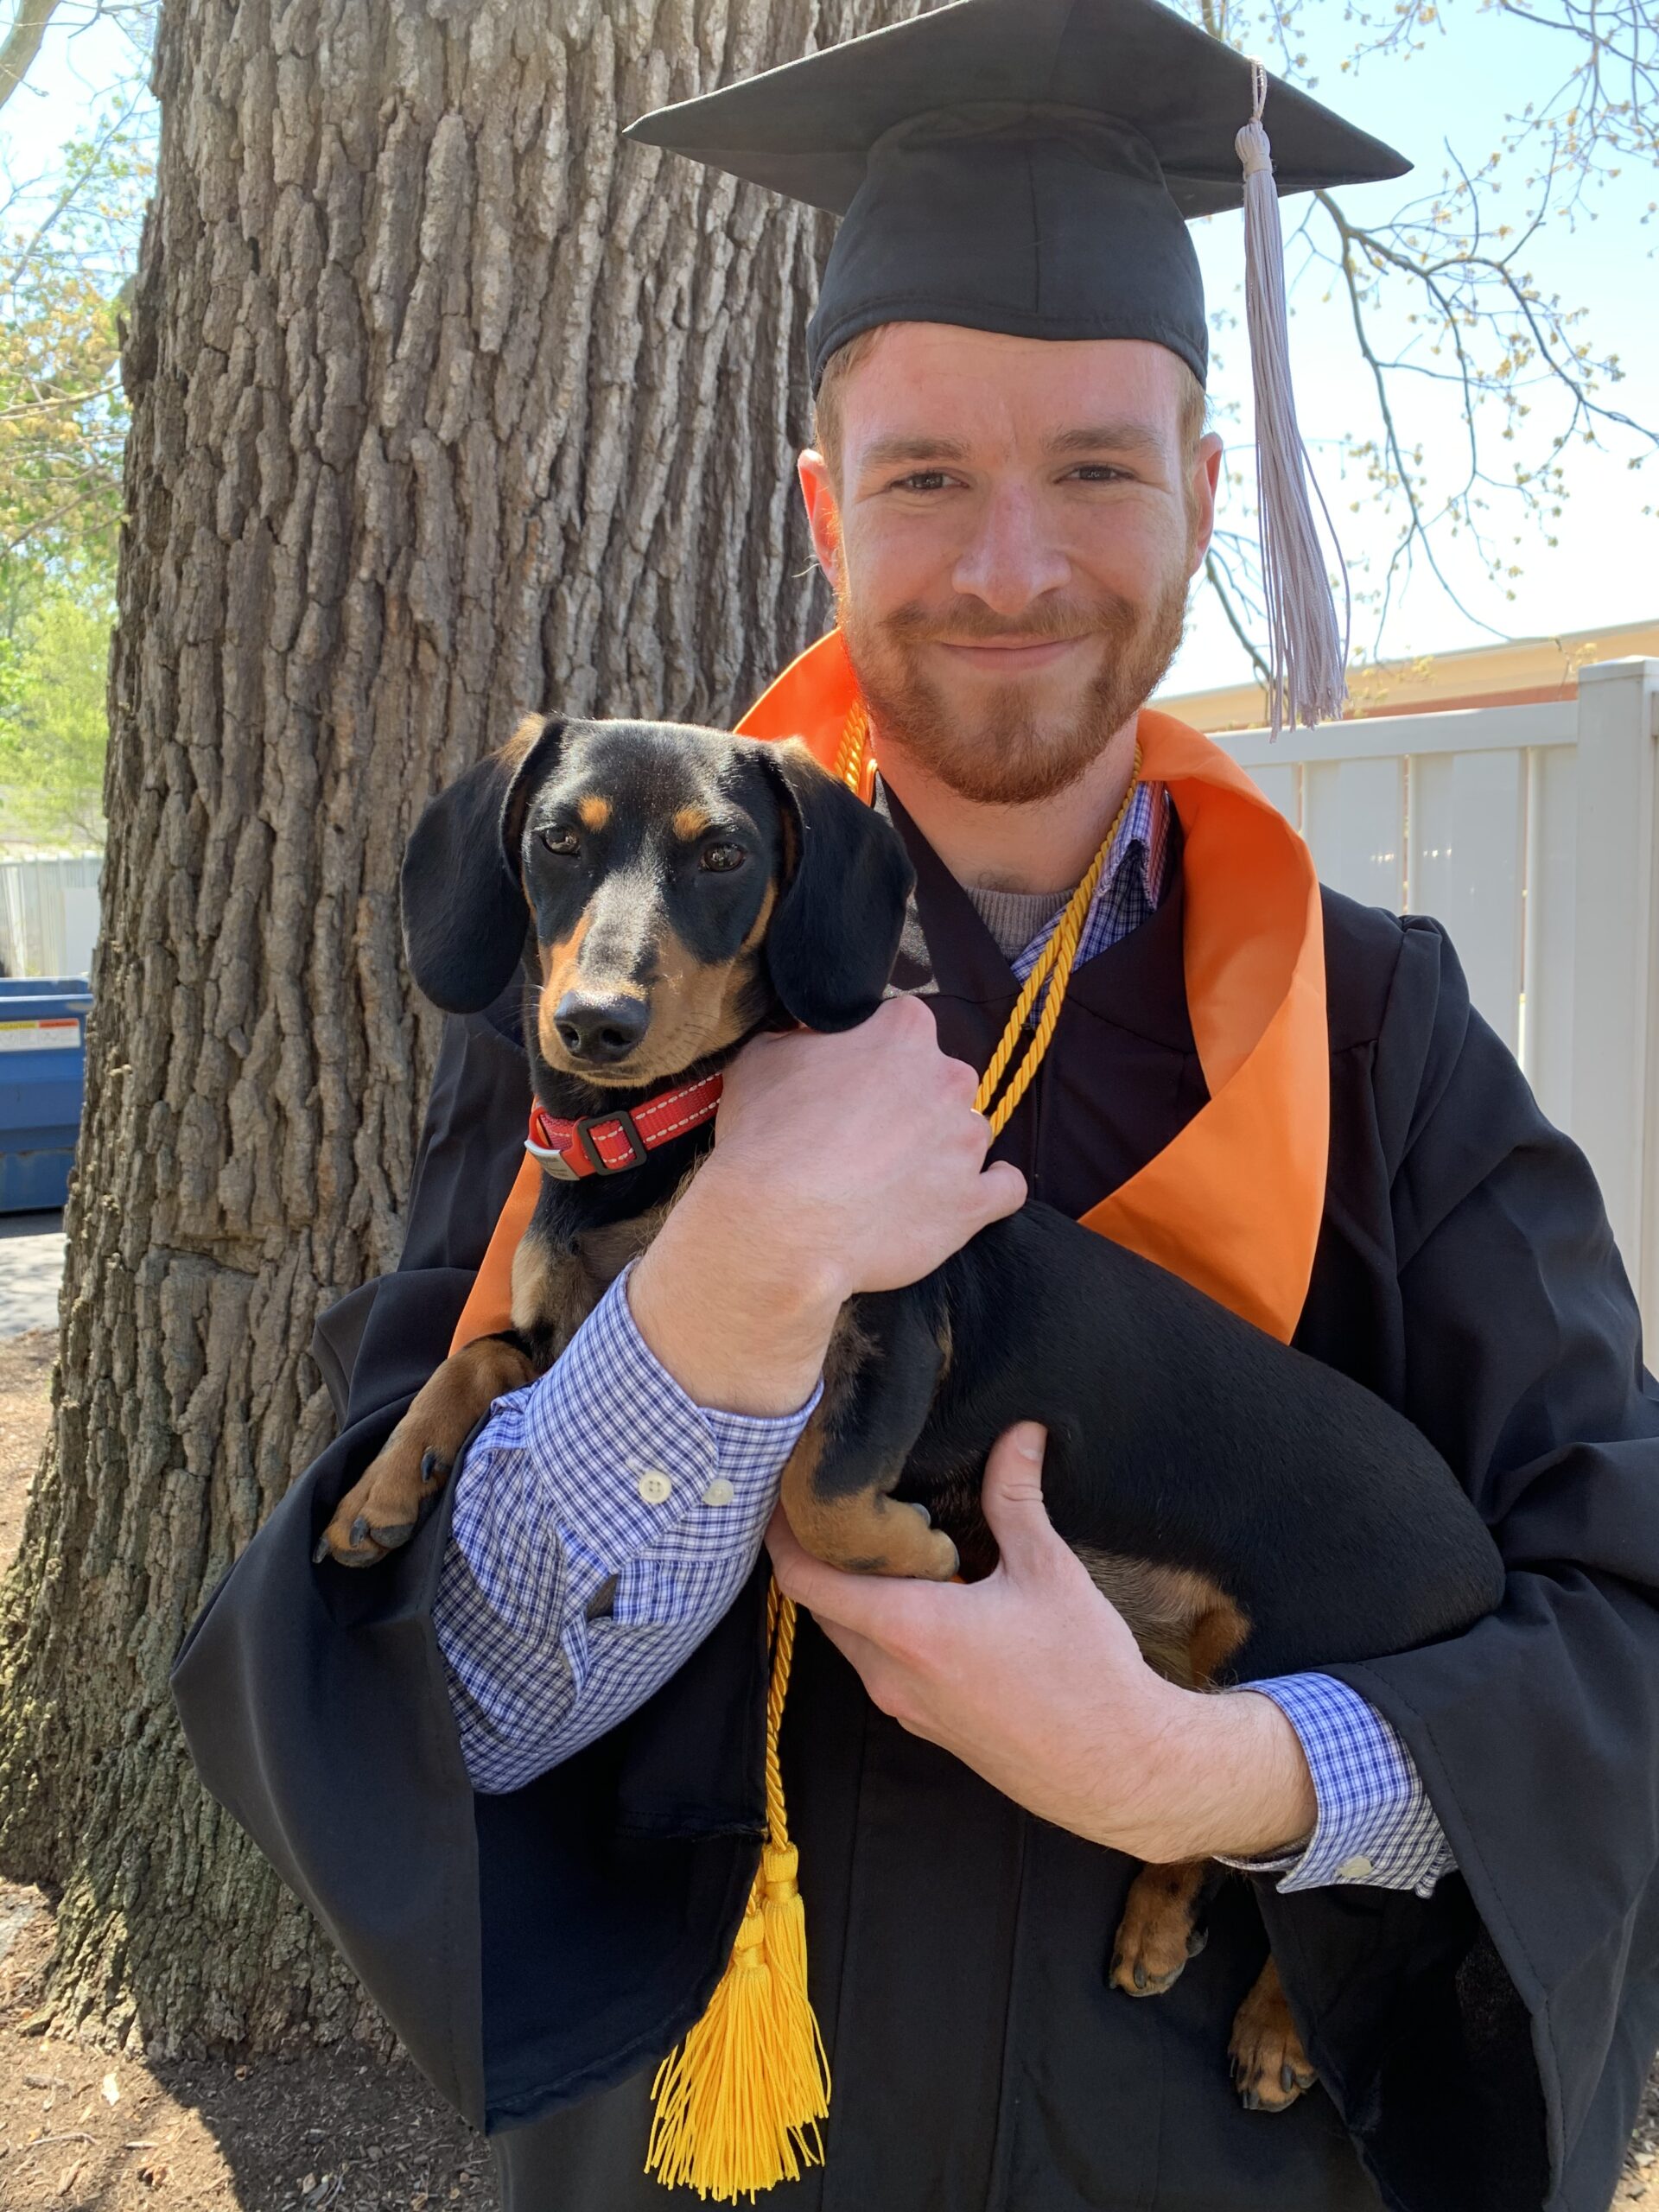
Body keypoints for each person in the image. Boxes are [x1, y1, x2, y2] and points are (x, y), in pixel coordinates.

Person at [174, 3, 1659, 2209]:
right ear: (820, 508)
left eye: (1094, 467)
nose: (1008, 566)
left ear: (1204, 495)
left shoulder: (1374, 1025)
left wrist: (1218, 1767)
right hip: (702, 2131)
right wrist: (731, 1291)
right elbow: (430, 1698)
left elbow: (1618, 1630)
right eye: (926, 474)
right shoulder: (592, 998)